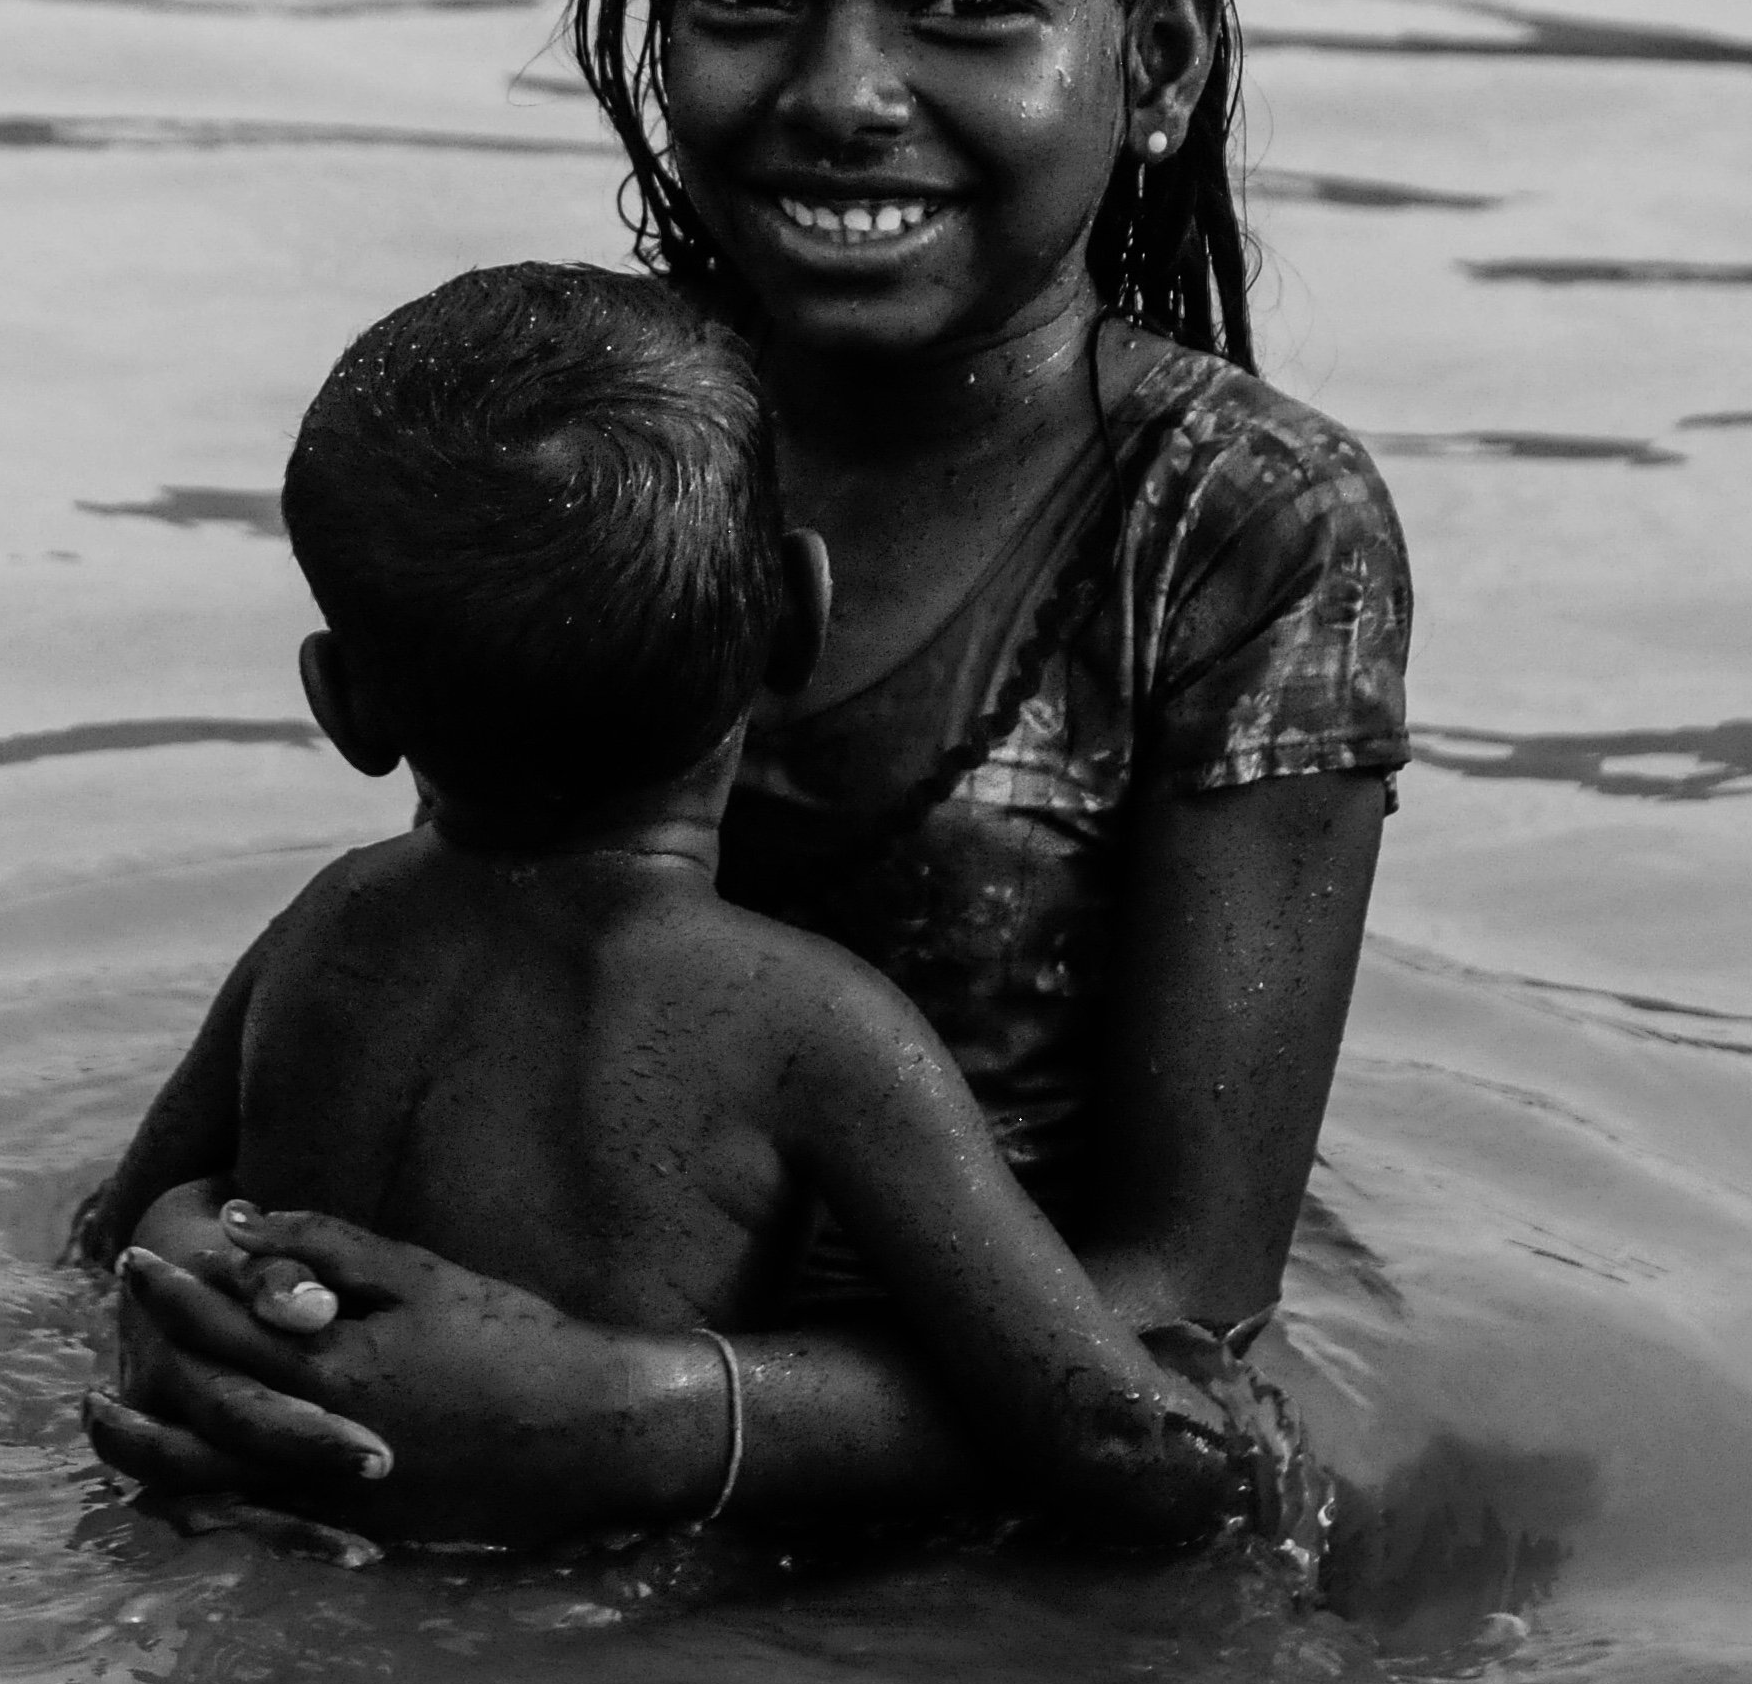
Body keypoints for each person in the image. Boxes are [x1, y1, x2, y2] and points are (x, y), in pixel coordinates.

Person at [83, 0, 1412, 1551]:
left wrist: (644, 1420)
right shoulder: (586, 429)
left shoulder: (1238, 531)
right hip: (496, 1480)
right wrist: (203, 1291)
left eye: (963, 3)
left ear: (1151, 64)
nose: (838, 91)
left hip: (915, 1543)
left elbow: (1183, 1311)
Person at [80, 259, 1255, 1544]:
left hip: (259, 1535)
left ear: (342, 704)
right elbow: (1103, 1433)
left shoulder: (325, 929)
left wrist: (191, 1254)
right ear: (797, 620)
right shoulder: (812, 1025)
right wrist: (1249, 1451)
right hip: (601, 1650)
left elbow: (112, 1240)